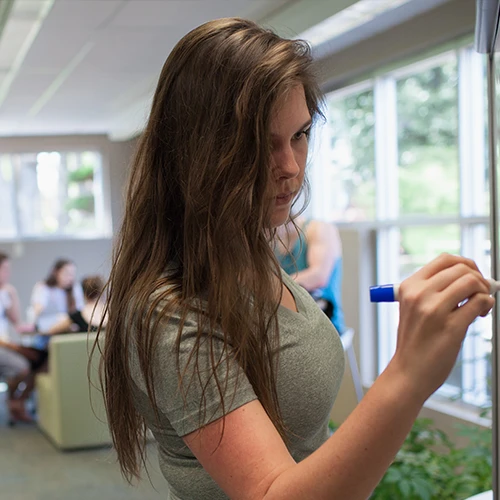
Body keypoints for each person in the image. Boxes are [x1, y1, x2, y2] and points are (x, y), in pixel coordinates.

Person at [96, 18, 494, 500]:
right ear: (199, 154)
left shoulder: (252, 251)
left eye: (300, 135)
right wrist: (408, 374)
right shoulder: (172, 313)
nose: (290, 168)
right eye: (262, 145)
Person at [275, 217, 345, 334]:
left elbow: (318, 276)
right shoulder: (271, 237)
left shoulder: (319, 229)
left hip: (324, 321)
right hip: (287, 323)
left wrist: (269, 287)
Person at [0, 252, 33, 423]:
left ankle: (15, 402)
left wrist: (12, 295)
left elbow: (16, 321)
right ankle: (14, 402)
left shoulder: (6, 292)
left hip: (5, 345)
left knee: (37, 361)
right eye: (4, 269)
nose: (7, 273)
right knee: (23, 368)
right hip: (2, 346)